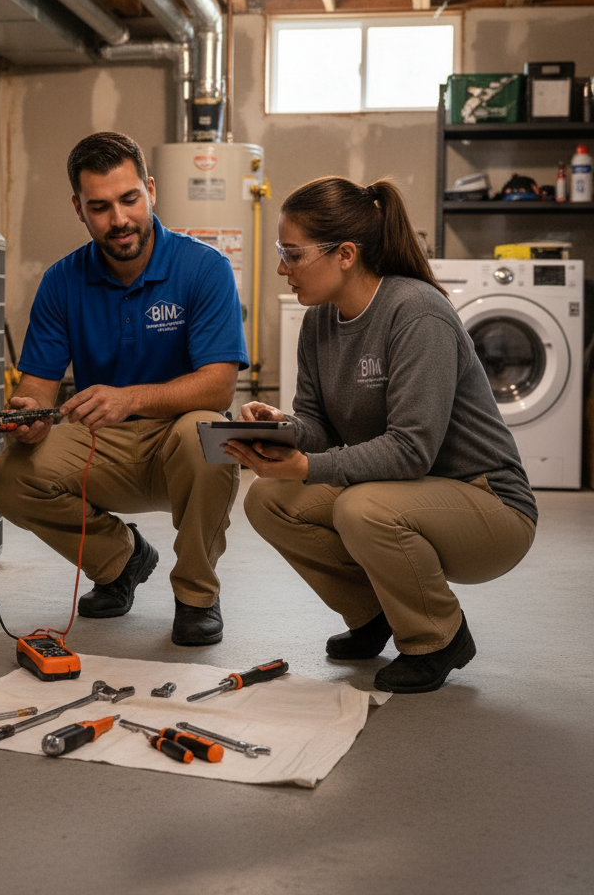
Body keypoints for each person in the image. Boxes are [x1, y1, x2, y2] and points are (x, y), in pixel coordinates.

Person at [227, 176, 537, 693]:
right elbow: (320, 429)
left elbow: (412, 450)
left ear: (345, 254)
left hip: (491, 507)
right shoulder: (319, 323)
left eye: (291, 253)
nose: (281, 267)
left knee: (360, 507)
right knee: (268, 499)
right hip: (408, 496)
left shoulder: (416, 314)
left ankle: (438, 637)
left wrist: (308, 466)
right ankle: (372, 614)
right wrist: (284, 429)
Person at [0, 132, 248, 645]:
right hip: (102, 444)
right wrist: (29, 419)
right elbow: (37, 390)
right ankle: (121, 560)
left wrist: (130, 397)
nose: (120, 219)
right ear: (79, 210)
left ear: (150, 190)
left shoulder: (205, 268)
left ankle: (197, 594)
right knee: (6, 477)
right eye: (100, 207)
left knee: (209, 434)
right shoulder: (62, 281)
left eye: (129, 199)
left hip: (177, 442)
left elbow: (218, 388)